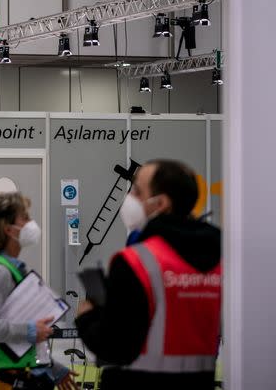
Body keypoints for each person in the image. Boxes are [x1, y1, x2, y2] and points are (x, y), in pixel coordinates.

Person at [76, 159, 221, 390]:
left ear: (161, 203)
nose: (130, 197)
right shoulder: (221, 260)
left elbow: (115, 346)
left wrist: (86, 317)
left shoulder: (137, 261)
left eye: (137, 191)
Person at [0, 193, 76, 390]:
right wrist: (29, 330)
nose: (31, 223)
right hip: (10, 380)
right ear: (8, 229)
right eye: (25, 218)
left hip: (27, 376)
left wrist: (53, 368)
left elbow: (23, 341)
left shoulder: (16, 270)